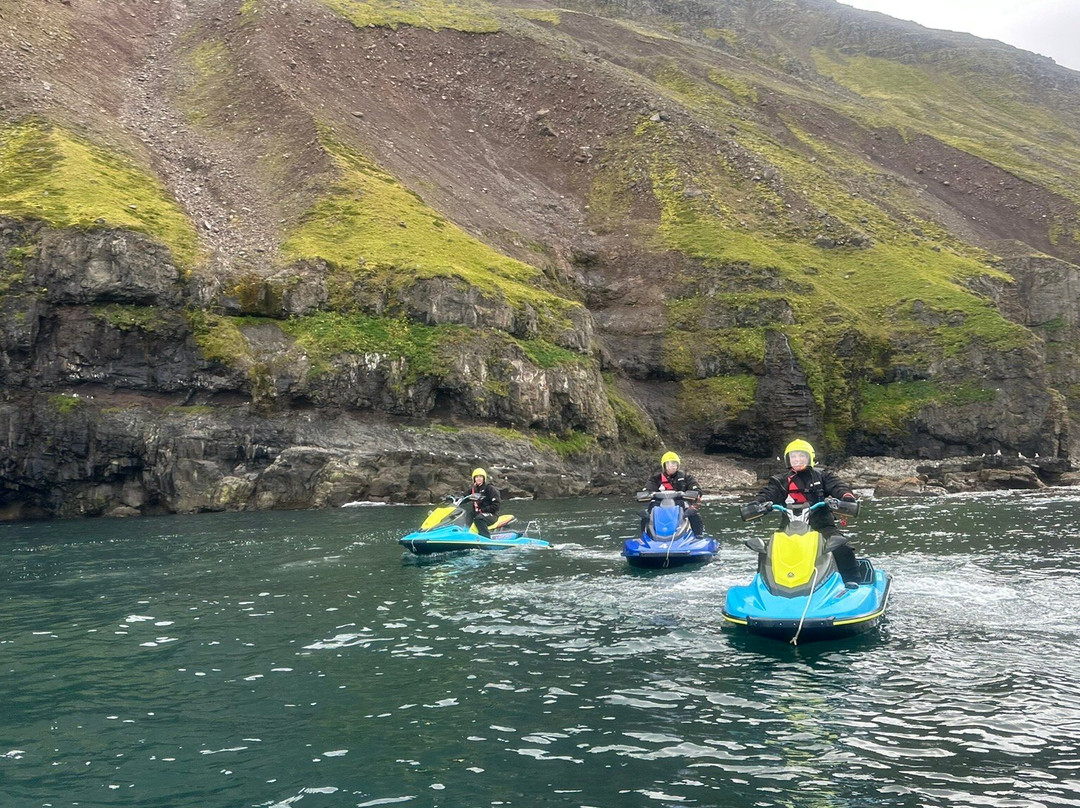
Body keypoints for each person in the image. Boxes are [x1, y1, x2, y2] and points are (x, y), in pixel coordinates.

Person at [752, 439, 863, 582]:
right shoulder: (779, 480)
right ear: (788, 459)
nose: (797, 459)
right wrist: (757, 503)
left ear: (810, 457)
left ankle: (852, 581)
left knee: (842, 547)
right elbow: (768, 493)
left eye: (801, 456)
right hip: (788, 528)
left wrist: (846, 497)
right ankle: (763, 584)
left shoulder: (823, 475)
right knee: (768, 550)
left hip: (822, 526)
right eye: (793, 456)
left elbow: (838, 487)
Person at [640, 451, 705, 537]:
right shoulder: (656, 479)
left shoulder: (686, 477)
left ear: (678, 465)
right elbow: (647, 489)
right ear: (664, 466)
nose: (672, 466)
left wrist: (695, 493)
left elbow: (696, 488)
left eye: (674, 463)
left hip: (681, 505)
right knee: (646, 516)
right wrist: (646, 494)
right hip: (659, 506)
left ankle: (698, 536)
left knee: (693, 513)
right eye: (669, 464)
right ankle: (646, 536)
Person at [462, 467, 500, 538]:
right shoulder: (474, 489)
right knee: (468, 516)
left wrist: (482, 510)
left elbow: (496, 505)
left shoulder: (490, 488)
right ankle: (468, 535)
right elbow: (464, 497)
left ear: (484, 478)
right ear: (474, 479)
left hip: (492, 514)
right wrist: (454, 498)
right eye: (476, 477)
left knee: (479, 518)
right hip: (479, 513)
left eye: (480, 477)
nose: (478, 478)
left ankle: (486, 538)